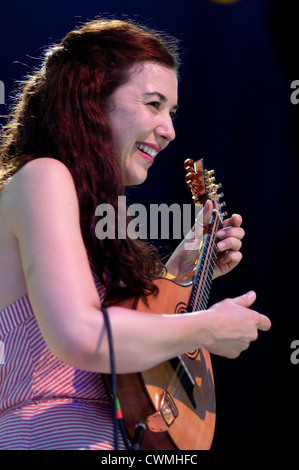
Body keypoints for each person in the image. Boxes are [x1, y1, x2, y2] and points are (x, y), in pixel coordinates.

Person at [0, 18, 271, 450]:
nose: (169, 129)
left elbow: (116, 348)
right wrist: (206, 327)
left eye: (171, 111)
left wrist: (179, 272)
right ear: (92, 98)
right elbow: (82, 336)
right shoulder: (44, 177)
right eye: (153, 104)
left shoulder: (94, 208)